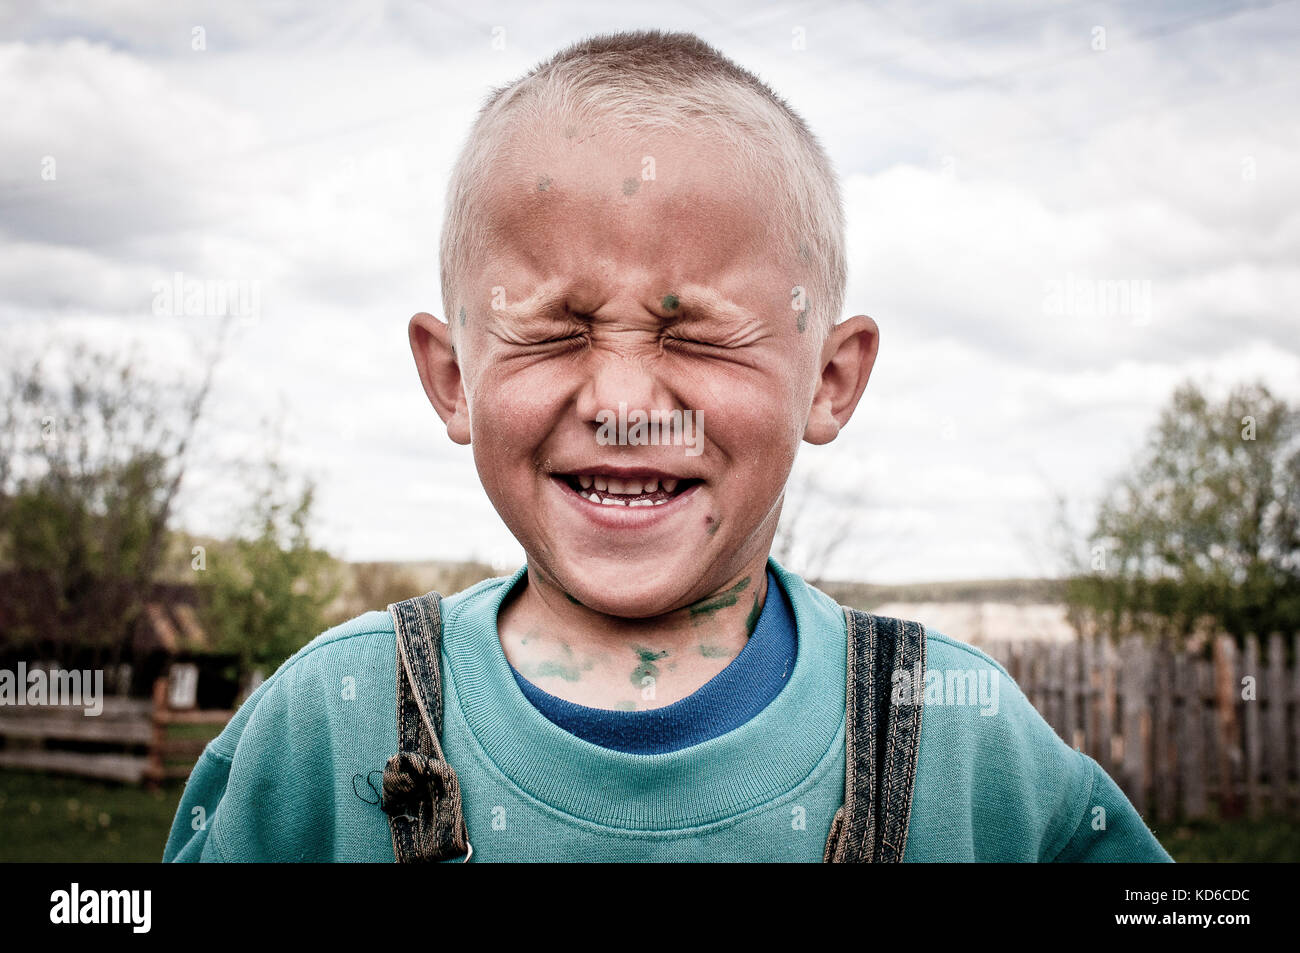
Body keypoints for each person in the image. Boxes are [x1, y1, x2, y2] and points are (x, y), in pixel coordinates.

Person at [164, 29, 1171, 863]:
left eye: (695, 333)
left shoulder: (960, 738)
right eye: (557, 329)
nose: (623, 402)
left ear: (830, 378)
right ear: (452, 377)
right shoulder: (324, 723)